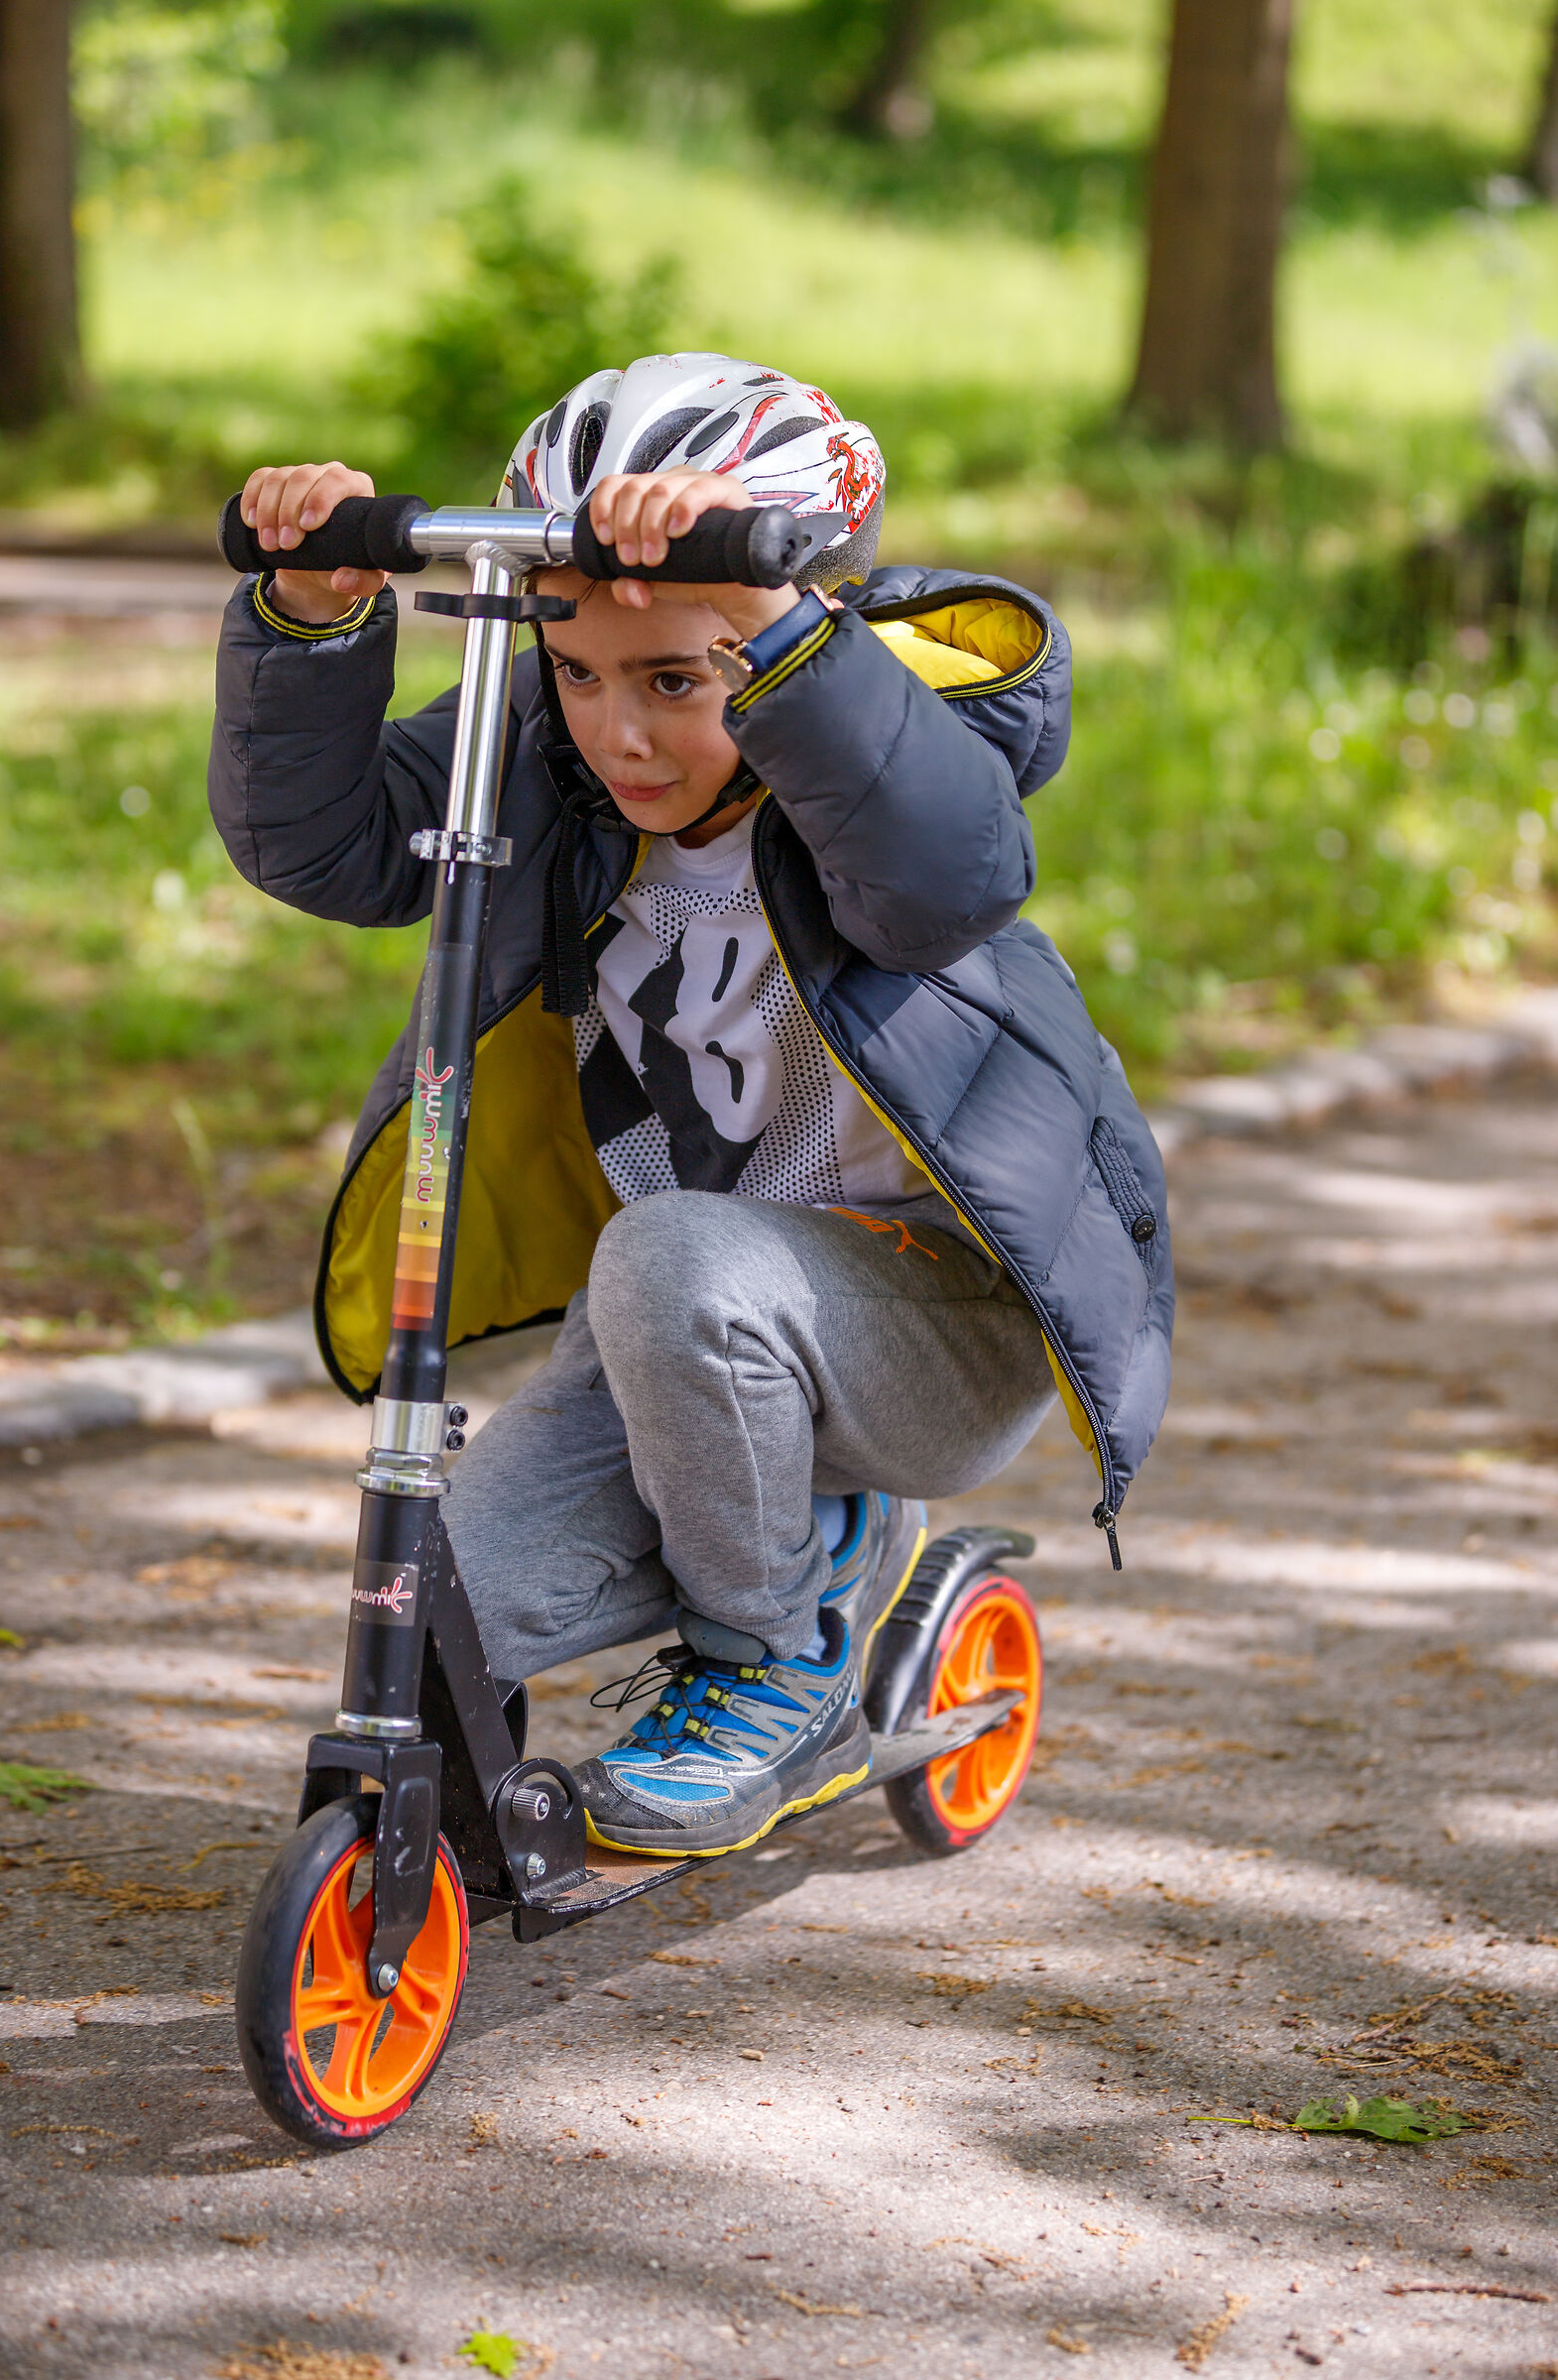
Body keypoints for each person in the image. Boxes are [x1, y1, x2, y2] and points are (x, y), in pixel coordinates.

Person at [208, 352, 1173, 1860]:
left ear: (803, 634)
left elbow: (941, 877)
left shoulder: (885, 775)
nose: (623, 735)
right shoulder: (547, 773)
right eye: (578, 673)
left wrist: (771, 624)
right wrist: (310, 621)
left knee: (669, 1252)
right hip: (685, 1337)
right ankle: (804, 1549)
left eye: (678, 678)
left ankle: (774, 1655)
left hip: (934, 1316)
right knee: (456, 1600)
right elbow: (332, 850)